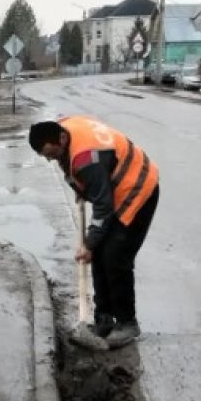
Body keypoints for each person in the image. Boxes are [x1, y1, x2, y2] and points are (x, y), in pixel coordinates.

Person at [29, 116, 160, 350]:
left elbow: (103, 208)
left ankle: (127, 323)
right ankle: (104, 319)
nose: (51, 160)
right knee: (100, 252)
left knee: (115, 256)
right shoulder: (64, 126)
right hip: (113, 184)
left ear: (60, 138)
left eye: (52, 153)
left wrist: (88, 245)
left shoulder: (88, 160)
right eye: (45, 156)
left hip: (138, 188)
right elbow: (87, 180)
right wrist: (80, 187)